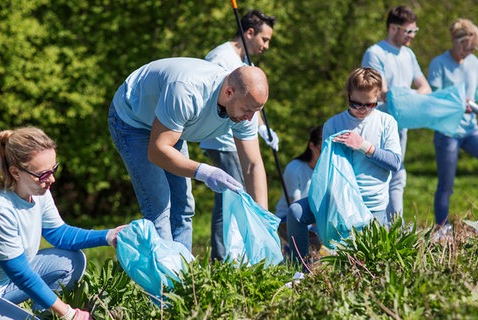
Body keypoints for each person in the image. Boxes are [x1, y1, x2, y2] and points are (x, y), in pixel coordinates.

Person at [0, 127, 125, 320]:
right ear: (16, 173)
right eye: (43, 175)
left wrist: (110, 236)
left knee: (71, 260)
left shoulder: (37, 191)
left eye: (54, 169)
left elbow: (59, 234)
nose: (51, 179)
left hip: (2, 286)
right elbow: (20, 273)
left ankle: (44, 313)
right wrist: (69, 314)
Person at [108, 57, 269, 253]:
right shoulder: (188, 91)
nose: (250, 118)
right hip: (132, 119)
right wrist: (204, 171)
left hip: (170, 125)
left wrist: (263, 220)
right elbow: (157, 151)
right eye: (247, 110)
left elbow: (252, 165)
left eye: (256, 111)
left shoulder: (246, 106)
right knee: (159, 206)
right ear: (229, 92)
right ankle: (166, 279)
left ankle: (184, 275)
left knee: (184, 207)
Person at [287, 67, 402, 260]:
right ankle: (301, 269)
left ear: (378, 98)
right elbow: (326, 169)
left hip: (371, 205)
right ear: (348, 95)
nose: (362, 110)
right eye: (356, 104)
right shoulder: (333, 124)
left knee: (367, 262)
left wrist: (364, 146)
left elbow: (395, 162)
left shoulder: (386, 123)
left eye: (369, 105)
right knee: (295, 212)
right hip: (338, 202)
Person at [200, 9, 278, 261]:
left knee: (232, 195)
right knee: (231, 194)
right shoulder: (221, 57)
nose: (266, 46)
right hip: (221, 140)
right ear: (249, 33)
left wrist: (262, 129)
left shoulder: (245, 62)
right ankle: (222, 259)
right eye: (264, 39)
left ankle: (237, 255)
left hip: (236, 137)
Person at [427, 18, 478, 233]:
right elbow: (433, 100)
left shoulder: (474, 63)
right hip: (447, 131)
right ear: (456, 41)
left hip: (471, 130)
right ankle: (442, 228)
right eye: (466, 48)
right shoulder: (439, 64)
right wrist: (457, 105)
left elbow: (477, 94)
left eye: (472, 49)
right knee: (446, 184)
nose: (468, 53)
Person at [361, 5, 431, 220]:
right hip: (379, 125)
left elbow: (425, 87)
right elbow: (380, 92)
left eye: (415, 32)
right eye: (409, 31)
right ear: (393, 28)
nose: (412, 36)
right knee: (377, 175)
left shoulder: (408, 55)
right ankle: (373, 228)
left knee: (398, 175)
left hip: (401, 125)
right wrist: (409, 95)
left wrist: (406, 96)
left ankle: (395, 229)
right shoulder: (375, 53)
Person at [275, 125, 323, 221]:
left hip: (316, 219)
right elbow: (296, 207)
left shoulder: (328, 170)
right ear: (311, 146)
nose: (324, 155)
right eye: (321, 150)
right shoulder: (294, 168)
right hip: (288, 218)